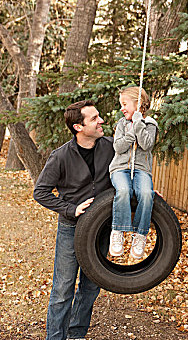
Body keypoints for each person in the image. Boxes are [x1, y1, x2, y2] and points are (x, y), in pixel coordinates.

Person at [33, 100, 114, 340]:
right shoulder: (60, 157)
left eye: (99, 116)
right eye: (94, 119)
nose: (101, 121)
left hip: (101, 228)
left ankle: (76, 334)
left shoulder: (110, 146)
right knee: (62, 289)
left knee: (91, 287)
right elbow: (41, 192)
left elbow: (129, 172)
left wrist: (147, 190)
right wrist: (70, 209)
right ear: (78, 127)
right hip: (71, 229)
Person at [109, 86, 158, 259]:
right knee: (123, 191)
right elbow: (118, 147)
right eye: (120, 105)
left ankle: (140, 235)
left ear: (138, 104)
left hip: (141, 169)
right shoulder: (121, 124)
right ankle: (118, 232)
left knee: (146, 193)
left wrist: (139, 124)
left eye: (124, 104)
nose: (122, 108)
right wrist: (131, 133)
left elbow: (146, 144)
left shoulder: (151, 124)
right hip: (120, 168)